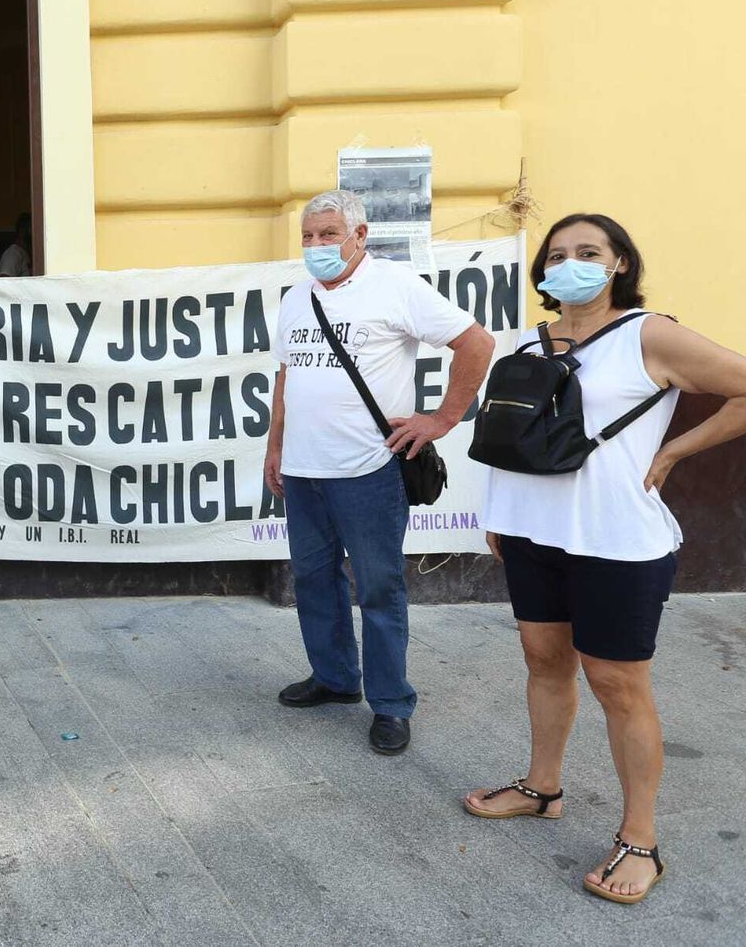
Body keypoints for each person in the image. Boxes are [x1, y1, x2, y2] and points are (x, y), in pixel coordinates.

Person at [464, 213, 746, 904]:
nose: (570, 264)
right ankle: (542, 787)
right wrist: (501, 516)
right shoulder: (527, 339)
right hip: (532, 534)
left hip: (616, 541)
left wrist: (675, 451)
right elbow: (511, 432)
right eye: (557, 254)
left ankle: (640, 840)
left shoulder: (650, 333)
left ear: (620, 262)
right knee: (543, 661)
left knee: (619, 686)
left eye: (588, 252)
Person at [265, 189, 495, 755]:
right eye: (308, 236)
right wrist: (274, 449)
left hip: (370, 472)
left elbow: (476, 342)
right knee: (315, 581)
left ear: (359, 236)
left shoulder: (395, 286)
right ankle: (336, 678)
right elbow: (285, 379)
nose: (316, 246)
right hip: (303, 471)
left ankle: (391, 704)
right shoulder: (296, 298)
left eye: (328, 234)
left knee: (379, 589)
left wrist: (442, 418)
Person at [0, 212, 33, 277]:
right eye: (31, 229)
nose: (33, 233)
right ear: (21, 230)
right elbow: (4, 281)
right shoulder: (13, 254)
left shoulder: (25, 253)